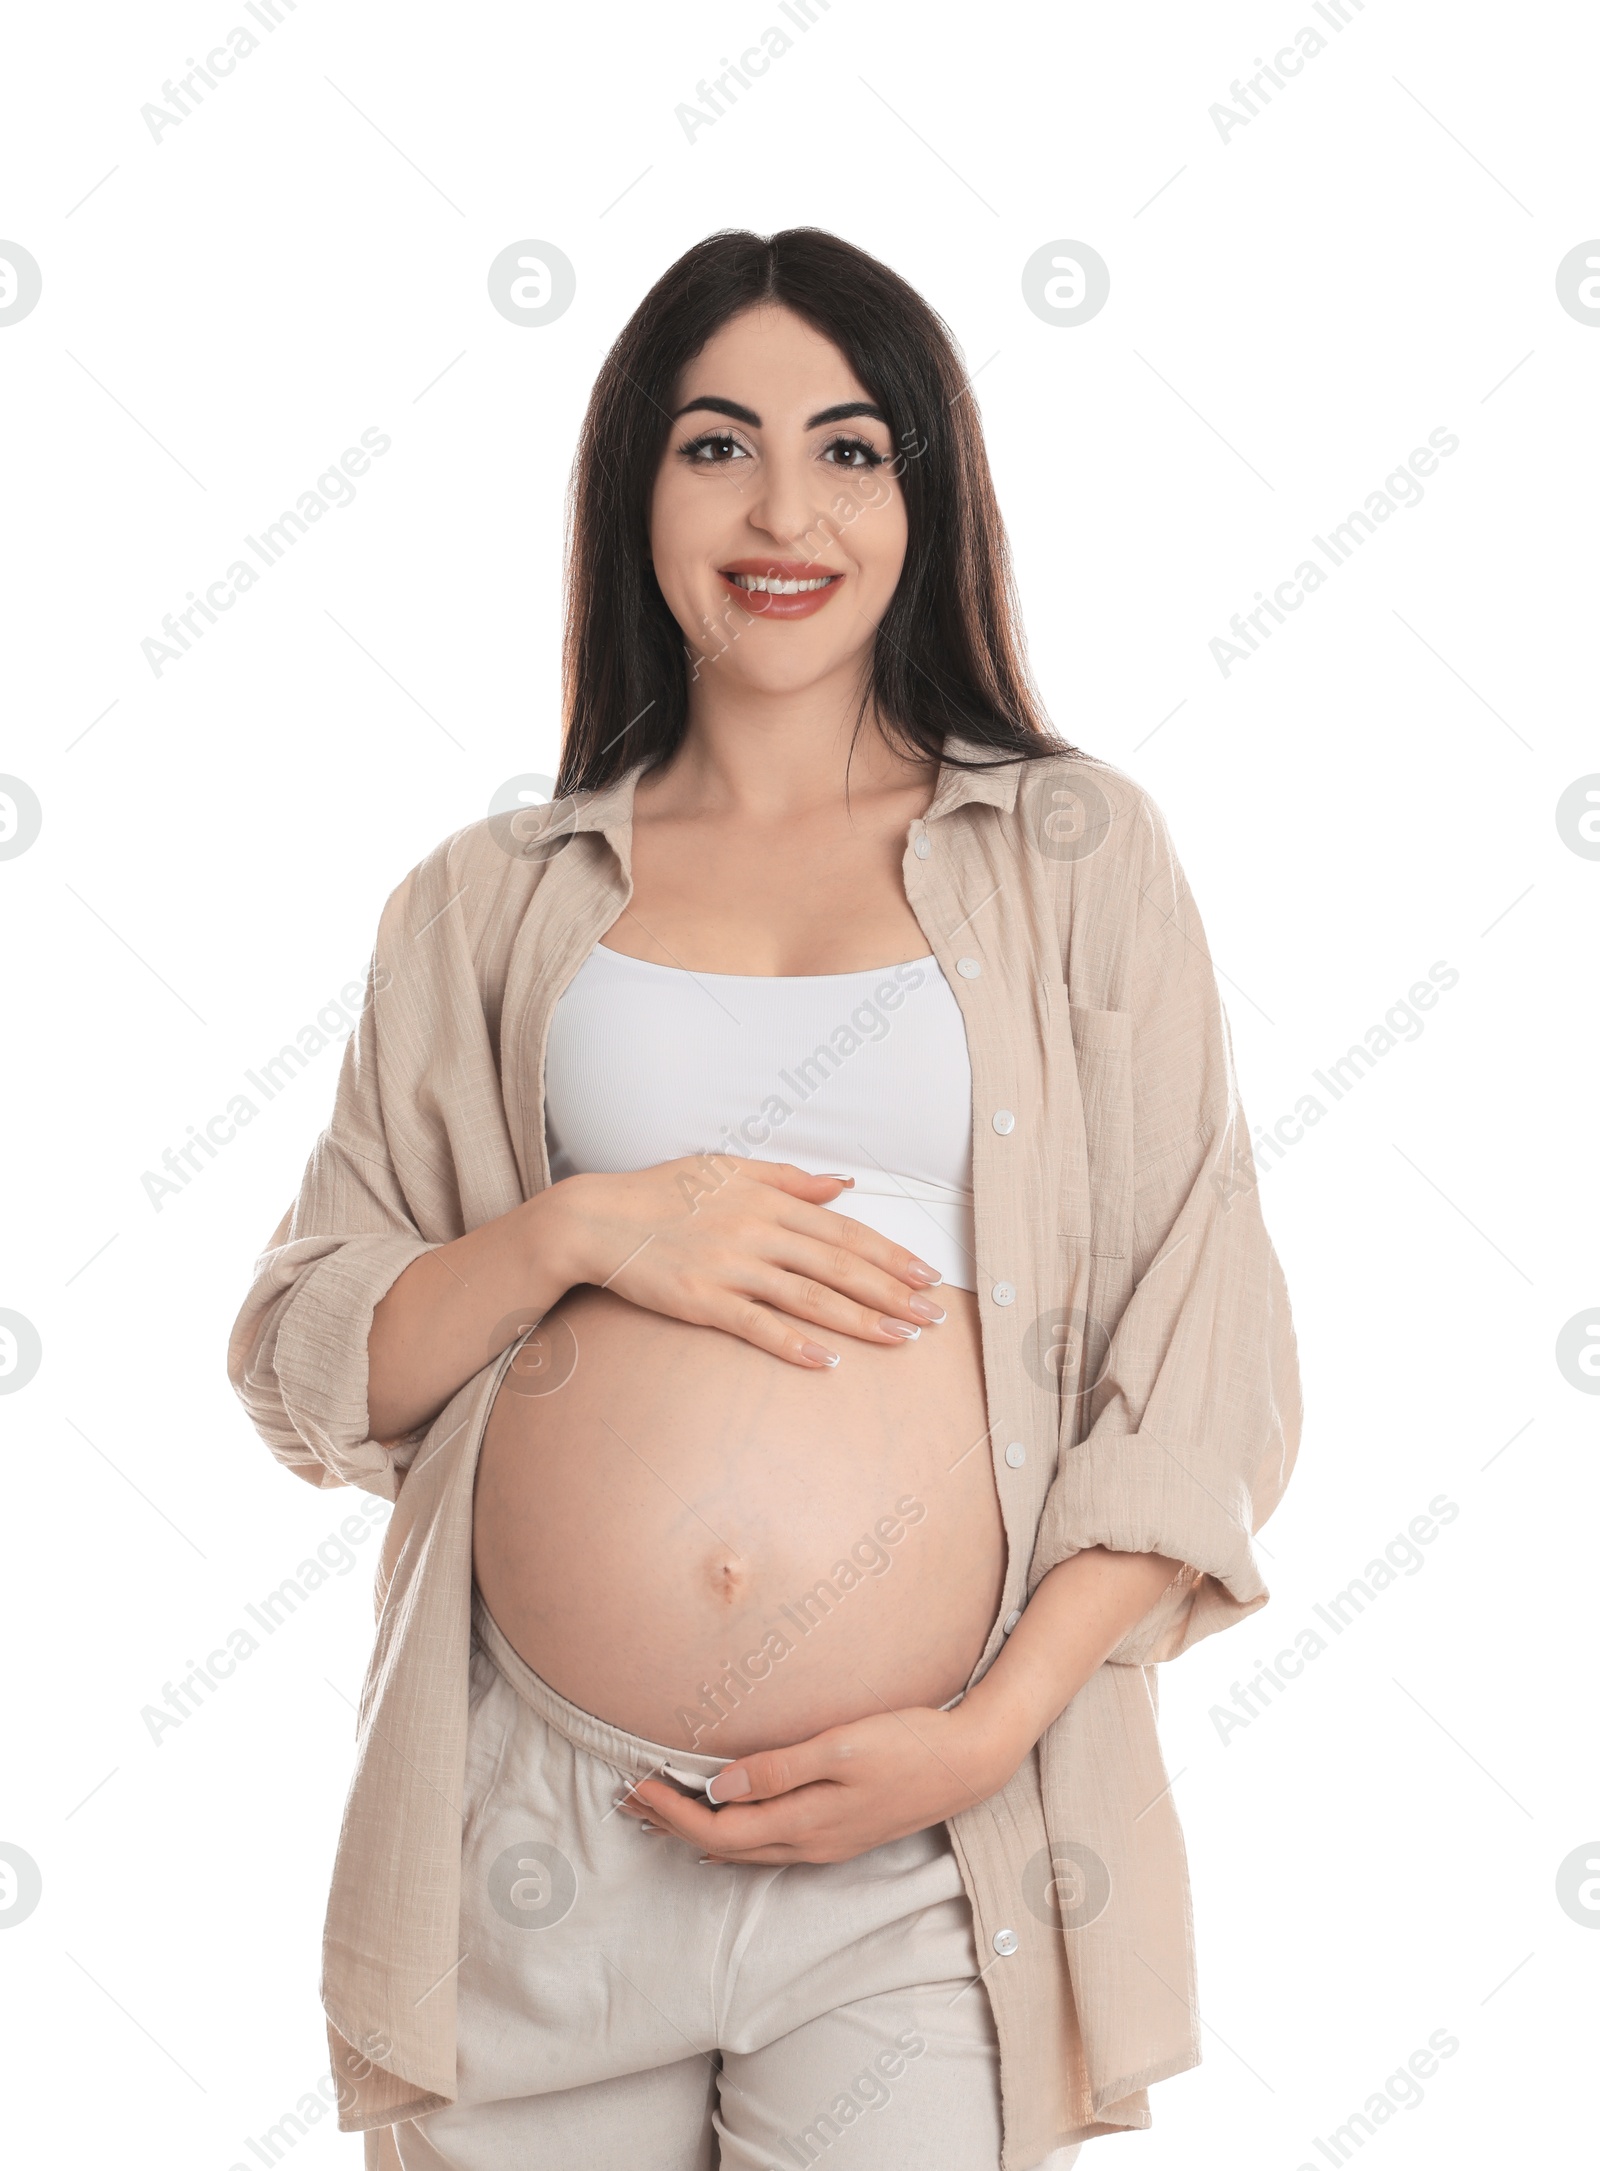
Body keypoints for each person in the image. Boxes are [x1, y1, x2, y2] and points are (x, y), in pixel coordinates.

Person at [229, 225, 1302, 2171]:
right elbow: (315, 1359)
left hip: (921, 1835)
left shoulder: (1072, 854)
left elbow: (1195, 1363)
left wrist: (988, 1733)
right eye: (715, 445)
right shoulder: (484, 904)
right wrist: (575, 1233)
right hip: (528, 1833)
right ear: (632, 484)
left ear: (927, 493)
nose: (782, 507)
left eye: (851, 447)